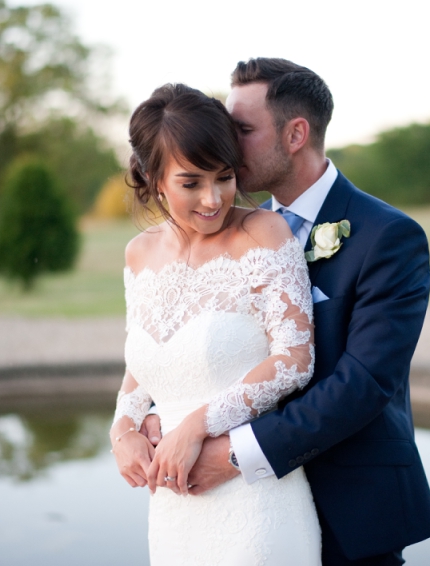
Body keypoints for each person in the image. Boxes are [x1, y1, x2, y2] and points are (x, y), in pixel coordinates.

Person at [142, 58, 430, 565]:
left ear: (296, 133)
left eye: (241, 129)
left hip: (349, 505)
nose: (227, 145)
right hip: (242, 509)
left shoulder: (387, 237)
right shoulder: (231, 231)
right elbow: (201, 338)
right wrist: (157, 413)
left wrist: (237, 454)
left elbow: (364, 382)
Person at [109, 83, 321, 565]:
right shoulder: (138, 255)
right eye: (191, 183)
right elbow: (142, 364)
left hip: (253, 501)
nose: (213, 198)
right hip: (172, 506)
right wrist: (122, 429)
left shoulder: (263, 234)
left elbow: (294, 360)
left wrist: (195, 427)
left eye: (224, 177)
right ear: (153, 178)